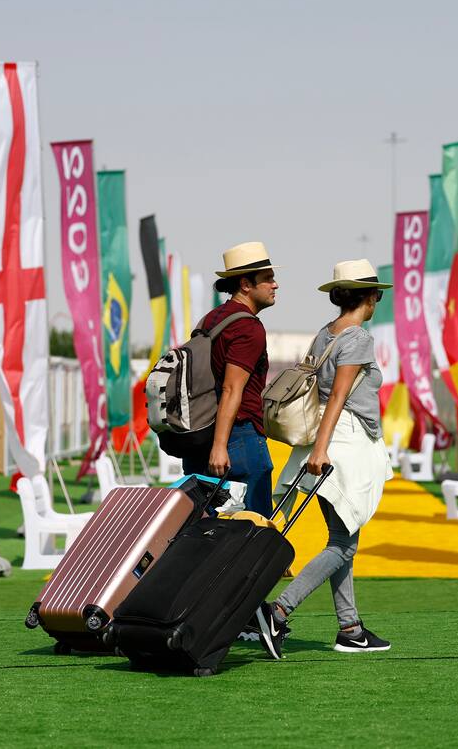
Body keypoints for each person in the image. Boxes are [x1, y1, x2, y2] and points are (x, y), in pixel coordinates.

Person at [256, 259, 394, 658]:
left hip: (322, 440)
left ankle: (350, 628)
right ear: (368, 297)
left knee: (341, 538)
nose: (378, 300)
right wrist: (322, 450)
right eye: (377, 294)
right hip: (341, 443)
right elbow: (338, 397)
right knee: (344, 545)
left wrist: (316, 446)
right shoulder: (359, 338)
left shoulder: (324, 334)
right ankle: (279, 611)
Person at [180, 241, 277, 516]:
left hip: (201, 435)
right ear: (246, 284)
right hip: (237, 438)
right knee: (255, 533)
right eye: (268, 278)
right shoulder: (248, 327)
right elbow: (232, 388)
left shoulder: (210, 320)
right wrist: (221, 447)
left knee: (203, 533)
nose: (275, 285)